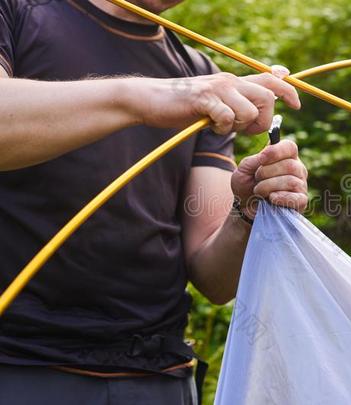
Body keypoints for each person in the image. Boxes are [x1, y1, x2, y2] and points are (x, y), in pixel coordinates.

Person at [0, 0, 308, 403]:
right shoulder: (19, 11)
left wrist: (248, 212)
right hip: (21, 367)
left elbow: (214, 279)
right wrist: (144, 97)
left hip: (159, 375)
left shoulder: (199, 74)